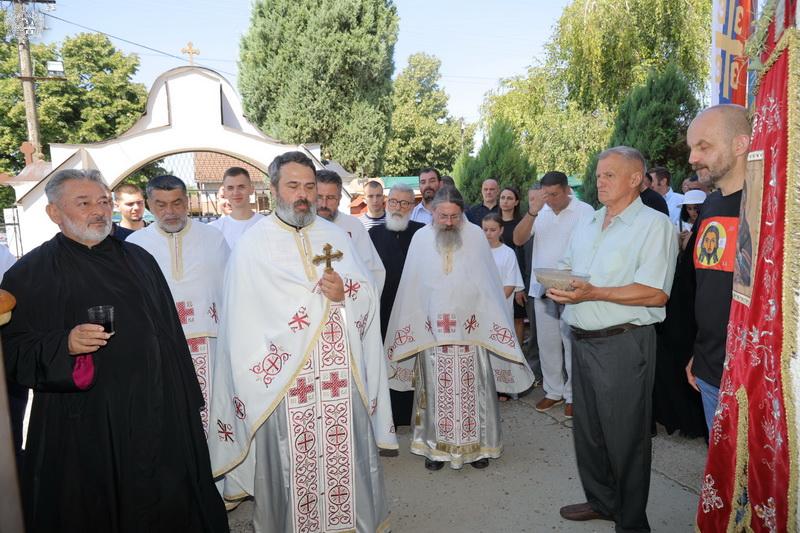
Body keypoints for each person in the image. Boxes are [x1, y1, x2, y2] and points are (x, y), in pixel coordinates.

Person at [1, 169, 228, 533]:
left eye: (104, 201)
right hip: (84, 424)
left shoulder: (139, 259)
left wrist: (183, 402)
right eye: (84, 203)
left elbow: (169, 335)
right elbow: (13, 352)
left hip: (155, 411)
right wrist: (64, 344)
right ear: (54, 212)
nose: (99, 210)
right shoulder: (30, 273)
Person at [208, 151, 396, 533]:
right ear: (274, 188)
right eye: (293, 185)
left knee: (345, 452)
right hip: (283, 381)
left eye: (309, 186)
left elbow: (366, 293)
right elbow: (241, 321)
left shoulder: (334, 235)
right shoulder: (253, 244)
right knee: (291, 461)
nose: (303, 195)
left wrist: (345, 293)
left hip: (338, 375)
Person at [548, 146, 677, 531]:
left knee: (626, 438)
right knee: (589, 432)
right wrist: (559, 282)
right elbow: (569, 266)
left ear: (635, 179)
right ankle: (602, 501)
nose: (600, 182)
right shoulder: (589, 221)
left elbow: (656, 293)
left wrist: (594, 293)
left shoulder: (655, 226)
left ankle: (632, 521)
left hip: (624, 343)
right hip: (582, 339)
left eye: (609, 175)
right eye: (599, 175)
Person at [385, 186, 534, 471]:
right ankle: (434, 449)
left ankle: (479, 448)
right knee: (434, 392)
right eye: (443, 216)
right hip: (432, 332)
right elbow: (411, 287)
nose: (449, 222)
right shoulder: (420, 238)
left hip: (471, 331)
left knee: (475, 390)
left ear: (462, 213)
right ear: (432, 212)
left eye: (454, 216)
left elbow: (487, 284)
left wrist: (480, 316)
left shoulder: (476, 236)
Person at [127, 175, 230, 434]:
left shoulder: (213, 238)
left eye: (177, 203)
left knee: (215, 412)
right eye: (161, 205)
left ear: (187, 201)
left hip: (211, 344)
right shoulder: (135, 245)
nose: (170, 212)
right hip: (160, 345)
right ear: (149, 205)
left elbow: (230, 289)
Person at [683, 104, 751, 433]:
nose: (693, 158)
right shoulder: (710, 204)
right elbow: (709, 289)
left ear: (740, 144)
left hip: (752, 377)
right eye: (691, 148)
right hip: (710, 370)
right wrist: (700, 352)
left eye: (703, 146)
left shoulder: (770, 207)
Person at [513, 171, 595, 419]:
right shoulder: (539, 212)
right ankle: (553, 390)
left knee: (571, 343)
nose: (549, 199)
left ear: (567, 190)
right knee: (547, 343)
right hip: (543, 288)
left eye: (555, 194)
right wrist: (532, 211)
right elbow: (518, 239)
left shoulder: (585, 211)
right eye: (546, 194)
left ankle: (573, 395)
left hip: (573, 288)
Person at [368, 183, 425, 426]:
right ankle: (385, 415)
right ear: (386, 203)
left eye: (404, 203)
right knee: (384, 361)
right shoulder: (373, 234)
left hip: (414, 310)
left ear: (412, 206)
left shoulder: (423, 233)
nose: (398, 207)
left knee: (410, 362)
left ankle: (410, 414)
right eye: (393, 202)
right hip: (383, 309)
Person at [315, 169, 386, 291]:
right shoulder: (301, 227)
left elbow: (374, 272)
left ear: (339, 198)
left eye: (331, 198)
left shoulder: (354, 227)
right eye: (319, 197)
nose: (324, 204)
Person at [482, 213, 525, 400]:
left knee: (501, 347)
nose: (488, 233)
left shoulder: (508, 253)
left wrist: (494, 302)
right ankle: (486, 386)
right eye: (485, 230)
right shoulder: (477, 252)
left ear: (501, 231)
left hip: (501, 308)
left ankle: (504, 387)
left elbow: (510, 285)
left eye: (493, 230)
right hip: (480, 308)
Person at [498, 186, 527, 343]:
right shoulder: (493, 223)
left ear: (516, 202)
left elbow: (522, 256)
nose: (505, 201)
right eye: (502, 197)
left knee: (517, 318)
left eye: (509, 198)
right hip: (496, 276)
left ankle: (518, 353)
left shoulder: (521, 224)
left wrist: (519, 287)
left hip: (516, 277)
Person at [210, 167, 265, 248]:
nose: (236, 192)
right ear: (225, 192)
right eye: (230, 188)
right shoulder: (214, 229)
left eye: (241, 187)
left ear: (251, 189)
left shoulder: (267, 225)